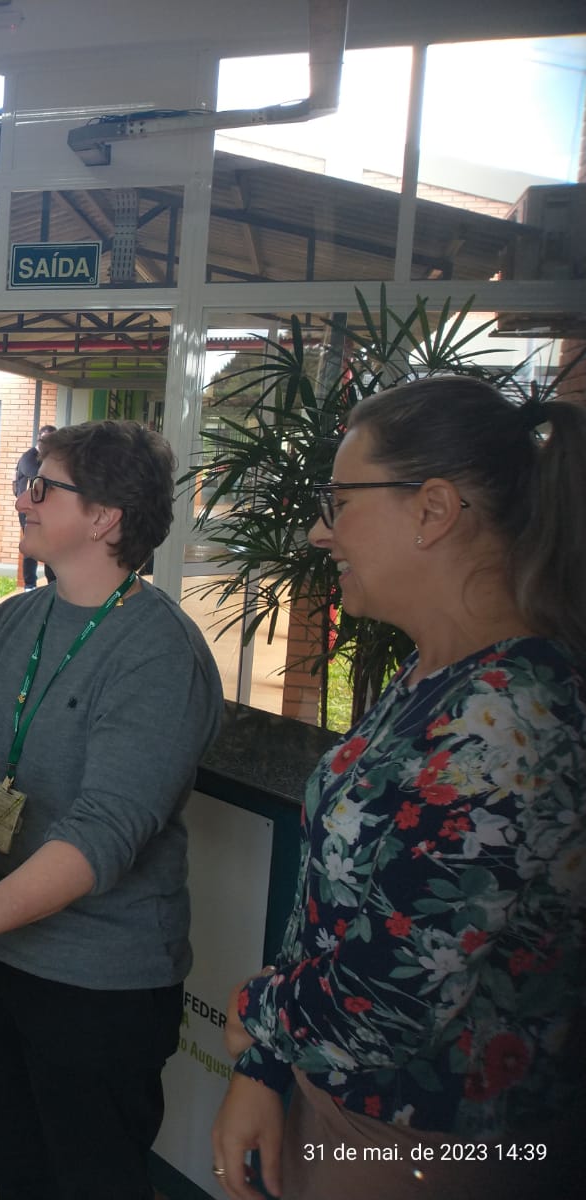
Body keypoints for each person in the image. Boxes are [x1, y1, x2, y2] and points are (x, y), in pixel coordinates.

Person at [209, 378, 586, 1200]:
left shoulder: (506, 722)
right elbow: (330, 912)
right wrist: (265, 1068)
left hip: (431, 1151)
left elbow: (384, 999)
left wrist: (254, 1010)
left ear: (433, 509)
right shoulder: (439, 674)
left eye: (339, 502)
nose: (319, 531)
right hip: (347, 1108)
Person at [0, 419, 224, 1199]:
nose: (19, 498)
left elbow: (104, 833)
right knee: (13, 1166)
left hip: (96, 980)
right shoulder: (11, 621)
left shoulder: (158, 652)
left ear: (104, 516)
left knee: (90, 1181)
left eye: (41, 486)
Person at [13, 425, 56, 590]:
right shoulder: (29, 458)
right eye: (47, 441)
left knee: (49, 543)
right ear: (39, 440)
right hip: (28, 510)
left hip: (44, 510)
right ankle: (29, 584)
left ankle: (52, 582)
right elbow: (41, 477)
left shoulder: (49, 458)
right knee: (32, 544)